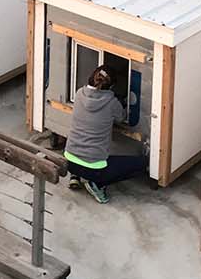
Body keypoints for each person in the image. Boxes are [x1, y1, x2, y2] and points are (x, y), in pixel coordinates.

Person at [63, 68, 148, 203]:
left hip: (69, 159)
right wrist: (124, 102)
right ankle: (96, 184)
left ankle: (75, 176)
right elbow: (122, 117)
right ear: (112, 86)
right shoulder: (112, 103)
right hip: (94, 168)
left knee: (83, 151)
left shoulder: (79, 93)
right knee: (142, 164)